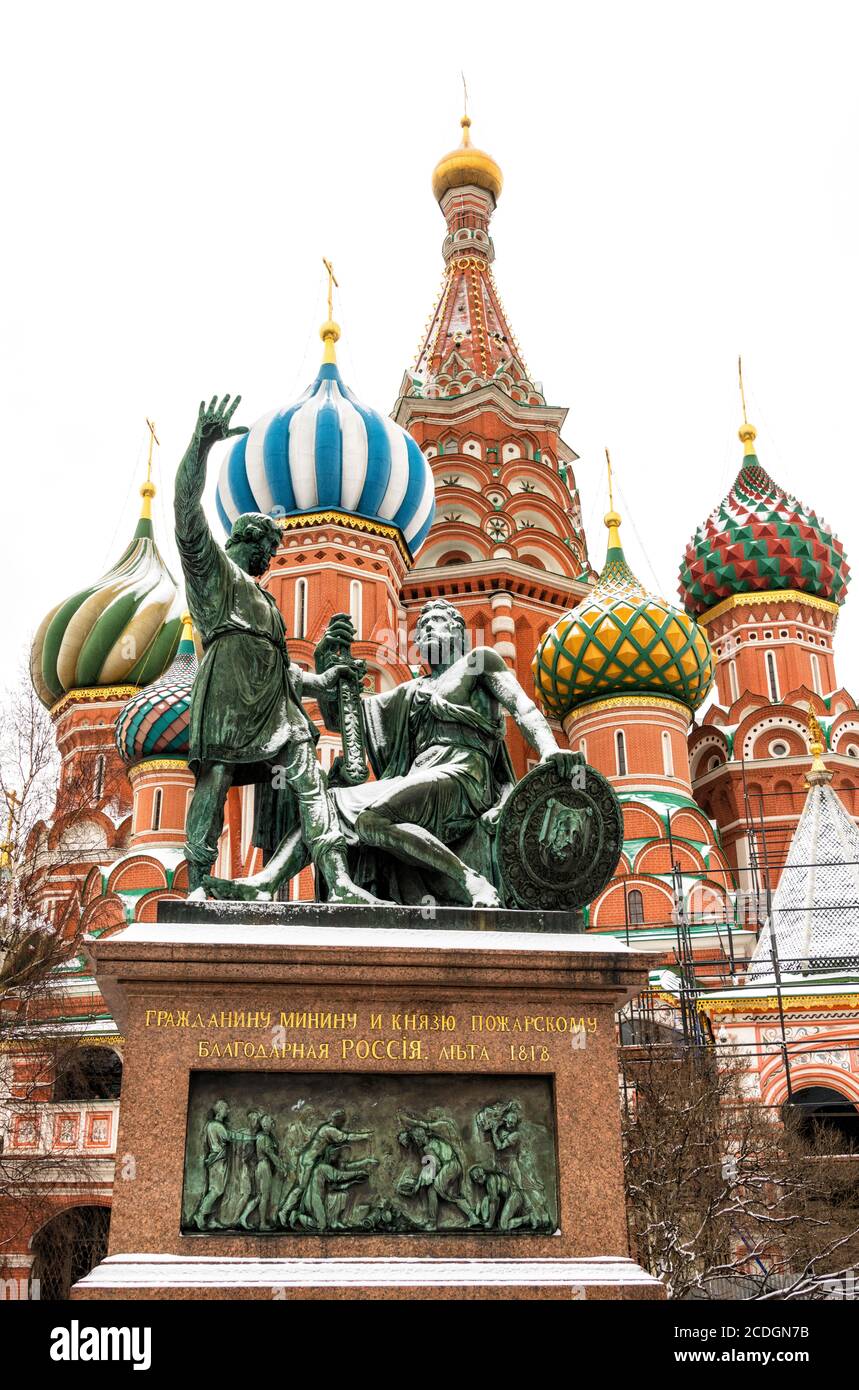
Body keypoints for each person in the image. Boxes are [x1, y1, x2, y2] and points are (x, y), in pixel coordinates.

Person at [206, 599, 582, 906]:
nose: (430, 628)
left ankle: (470, 880)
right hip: (420, 777)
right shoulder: (411, 691)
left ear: (459, 630)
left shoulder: (479, 661)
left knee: (371, 818)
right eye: (424, 625)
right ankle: (265, 882)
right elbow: (344, 719)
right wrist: (330, 665)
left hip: (464, 774)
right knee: (328, 802)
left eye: (439, 621)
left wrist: (550, 749)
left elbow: (523, 707)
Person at [173, 393, 380, 903]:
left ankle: (339, 881)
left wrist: (323, 681)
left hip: (276, 710)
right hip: (225, 697)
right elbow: (184, 510)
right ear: (249, 542)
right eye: (267, 549)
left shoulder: (267, 602)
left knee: (309, 781)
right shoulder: (213, 573)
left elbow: (284, 671)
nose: (271, 558)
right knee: (216, 780)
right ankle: (200, 877)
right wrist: (200, 447)